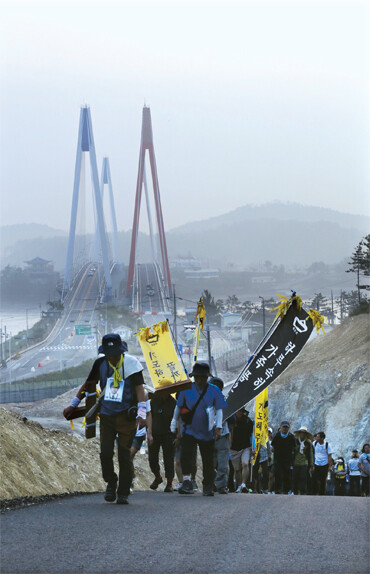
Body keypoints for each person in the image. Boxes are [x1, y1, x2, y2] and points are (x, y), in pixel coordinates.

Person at [63, 333, 147, 505]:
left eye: (115, 354)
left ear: (121, 352)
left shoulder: (132, 364)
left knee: (124, 456)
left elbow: (140, 390)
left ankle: (123, 492)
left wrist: (142, 413)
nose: (112, 357)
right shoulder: (100, 364)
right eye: (109, 354)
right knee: (105, 454)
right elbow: (88, 384)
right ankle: (111, 481)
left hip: (126, 416)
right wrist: (73, 404)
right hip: (107, 415)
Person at [171, 362, 226, 496]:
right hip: (189, 429)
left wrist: (218, 427)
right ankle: (187, 481)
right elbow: (178, 407)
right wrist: (174, 421)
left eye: (202, 377)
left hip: (207, 431)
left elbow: (219, 410)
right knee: (186, 456)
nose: (200, 380)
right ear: (194, 377)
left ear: (207, 377)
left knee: (208, 460)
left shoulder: (214, 390)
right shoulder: (185, 389)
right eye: (197, 377)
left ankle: (207, 485)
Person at [148, 392, 177, 492]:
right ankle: (158, 477)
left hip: (168, 434)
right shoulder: (154, 401)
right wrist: (149, 433)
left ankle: (169, 483)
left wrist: (177, 436)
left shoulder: (174, 403)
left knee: (168, 459)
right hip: (155, 434)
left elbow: (177, 419)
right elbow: (149, 416)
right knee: (152, 459)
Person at [211, 377, 234, 494]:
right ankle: (214, 484)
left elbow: (232, 419)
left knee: (221, 463)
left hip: (222, 435)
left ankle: (219, 485)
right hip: (211, 435)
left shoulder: (225, 401)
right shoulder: (206, 400)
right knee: (212, 462)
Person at [130, 394, 152, 492]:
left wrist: (149, 433)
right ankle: (130, 477)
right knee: (125, 457)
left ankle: (129, 480)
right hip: (123, 431)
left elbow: (148, 414)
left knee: (129, 454)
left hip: (138, 433)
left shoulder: (143, 394)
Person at [229, 408, 254, 493]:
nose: (239, 413)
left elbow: (252, 434)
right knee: (236, 469)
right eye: (238, 411)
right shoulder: (231, 419)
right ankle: (239, 485)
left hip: (245, 447)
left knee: (245, 464)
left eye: (241, 411)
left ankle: (243, 484)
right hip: (234, 448)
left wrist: (253, 447)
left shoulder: (248, 421)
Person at [271, 421, 296, 494]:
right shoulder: (277, 436)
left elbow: (294, 448)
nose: (285, 428)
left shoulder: (291, 437)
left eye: (286, 427)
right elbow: (273, 447)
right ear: (280, 427)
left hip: (288, 460)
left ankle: (286, 490)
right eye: (283, 427)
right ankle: (277, 490)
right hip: (278, 459)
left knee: (287, 475)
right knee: (278, 474)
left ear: (289, 428)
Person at [293, 426, 313, 495]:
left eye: (304, 433)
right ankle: (295, 491)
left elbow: (310, 453)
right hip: (295, 462)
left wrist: (311, 464)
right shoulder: (295, 441)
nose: (303, 434)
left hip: (304, 462)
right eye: (301, 433)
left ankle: (303, 491)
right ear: (299, 433)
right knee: (295, 477)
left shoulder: (308, 442)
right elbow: (292, 451)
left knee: (303, 477)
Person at [312, 432, 333, 496]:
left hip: (324, 464)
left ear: (322, 438)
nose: (317, 438)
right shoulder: (314, 443)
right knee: (315, 479)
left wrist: (330, 466)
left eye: (318, 437)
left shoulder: (327, 445)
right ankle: (316, 492)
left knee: (323, 480)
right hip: (316, 464)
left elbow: (329, 456)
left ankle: (322, 494)